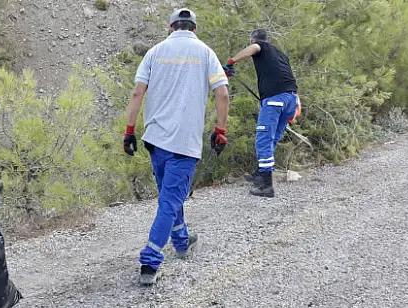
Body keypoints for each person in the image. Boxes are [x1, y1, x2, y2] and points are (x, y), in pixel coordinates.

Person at [123, 8, 230, 286]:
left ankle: (181, 240)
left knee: (168, 196)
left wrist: (129, 130)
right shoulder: (206, 53)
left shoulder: (155, 51)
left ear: (170, 28)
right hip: (184, 142)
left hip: (155, 140)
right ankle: (150, 261)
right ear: (194, 29)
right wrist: (220, 130)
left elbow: (137, 92)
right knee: (170, 200)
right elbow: (223, 93)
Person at [225, 28, 299, 198]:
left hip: (274, 99)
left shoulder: (260, 46)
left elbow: (255, 48)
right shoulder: (280, 54)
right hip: (290, 98)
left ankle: (266, 185)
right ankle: (260, 172)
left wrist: (231, 61)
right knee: (272, 137)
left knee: (264, 137)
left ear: (252, 40)